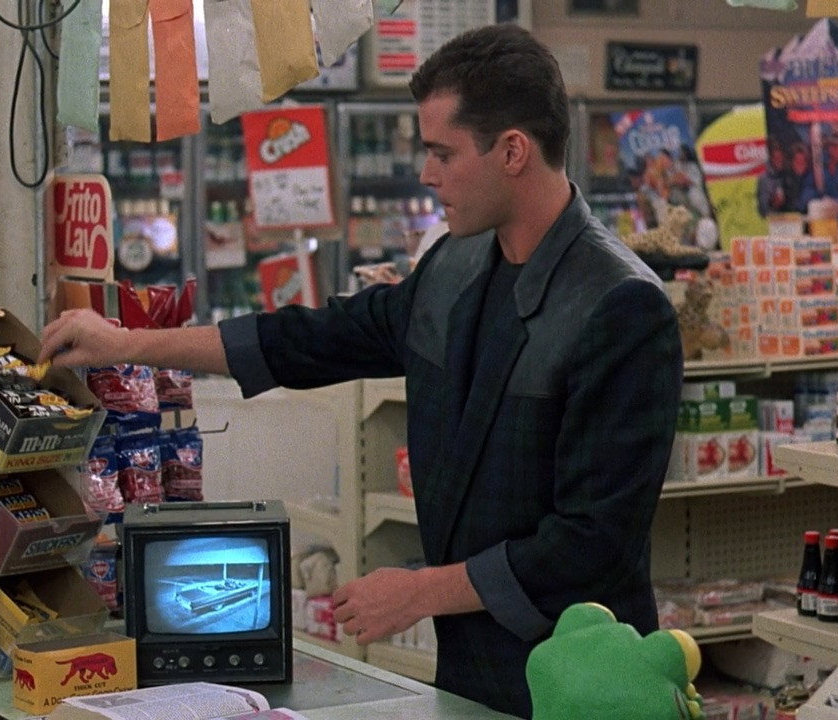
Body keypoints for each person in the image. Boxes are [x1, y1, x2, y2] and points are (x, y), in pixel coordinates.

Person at [39, 24, 682, 718]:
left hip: (589, 679)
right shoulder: (455, 266)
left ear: (513, 151)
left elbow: (591, 541)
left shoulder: (622, 307)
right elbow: (311, 340)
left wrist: (421, 591)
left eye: (442, 153)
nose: (427, 174)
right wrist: (125, 341)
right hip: (471, 665)